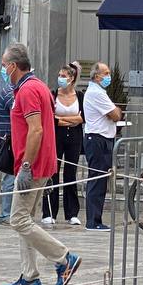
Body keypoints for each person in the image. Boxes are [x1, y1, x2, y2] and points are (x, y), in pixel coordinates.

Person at [0, 44, 81, 285]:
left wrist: (26, 165)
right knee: (27, 220)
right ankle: (29, 277)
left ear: (13, 66)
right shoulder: (39, 86)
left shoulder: (27, 90)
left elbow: (36, 129)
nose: (2, 70)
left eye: (4, 66)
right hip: (41, 162)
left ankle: (64, 258)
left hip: (32, 165)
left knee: (18, 220)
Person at [42, 64, 84, 226]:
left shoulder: (79, 96)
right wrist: (70, 120)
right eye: (59, 75)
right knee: (53, 172)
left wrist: (63, 119)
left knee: (70, 173)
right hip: (56, 135)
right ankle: (49, 212)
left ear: (72, 78)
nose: (60, 78)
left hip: (74, 136)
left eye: (64, 76)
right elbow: (51, 118)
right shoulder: (53, 94)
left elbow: (82, 118)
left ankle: (72, 213)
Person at [82, 62, 122, 231]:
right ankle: (93, 221)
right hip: (97, 139)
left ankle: (95, 219)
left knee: (100, 179)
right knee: (97, 179)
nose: (108, 77)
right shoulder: (96, 93)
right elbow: (115, 114)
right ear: (97, 76)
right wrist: (117, 110)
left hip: (102, 138)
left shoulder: (99, 92)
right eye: (106, 73)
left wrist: (115, 111)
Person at [0, 67, 17, 222]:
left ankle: (9, 213)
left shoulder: (11, 91)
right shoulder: (10, 92)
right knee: (10, 178)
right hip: (10, 140)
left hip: (11, 139)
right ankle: (6, 214)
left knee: (13, 177)